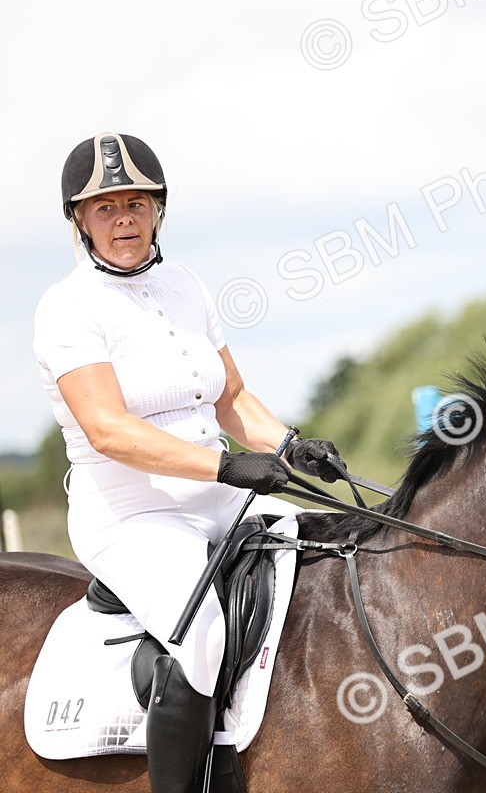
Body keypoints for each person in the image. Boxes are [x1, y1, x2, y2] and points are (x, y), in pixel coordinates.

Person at [33, 132, 343, 793]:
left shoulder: (186, 285)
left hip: (215, 494)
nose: (124, 218)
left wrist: (289, 446)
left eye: (136, 203)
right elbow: (110, 430)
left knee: (335, 554)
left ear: (157, 211)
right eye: (106, 208)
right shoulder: (67, 307)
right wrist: (228, 469)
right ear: (81, 222)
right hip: (130, 512)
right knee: (201, 640)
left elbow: (230, 399)